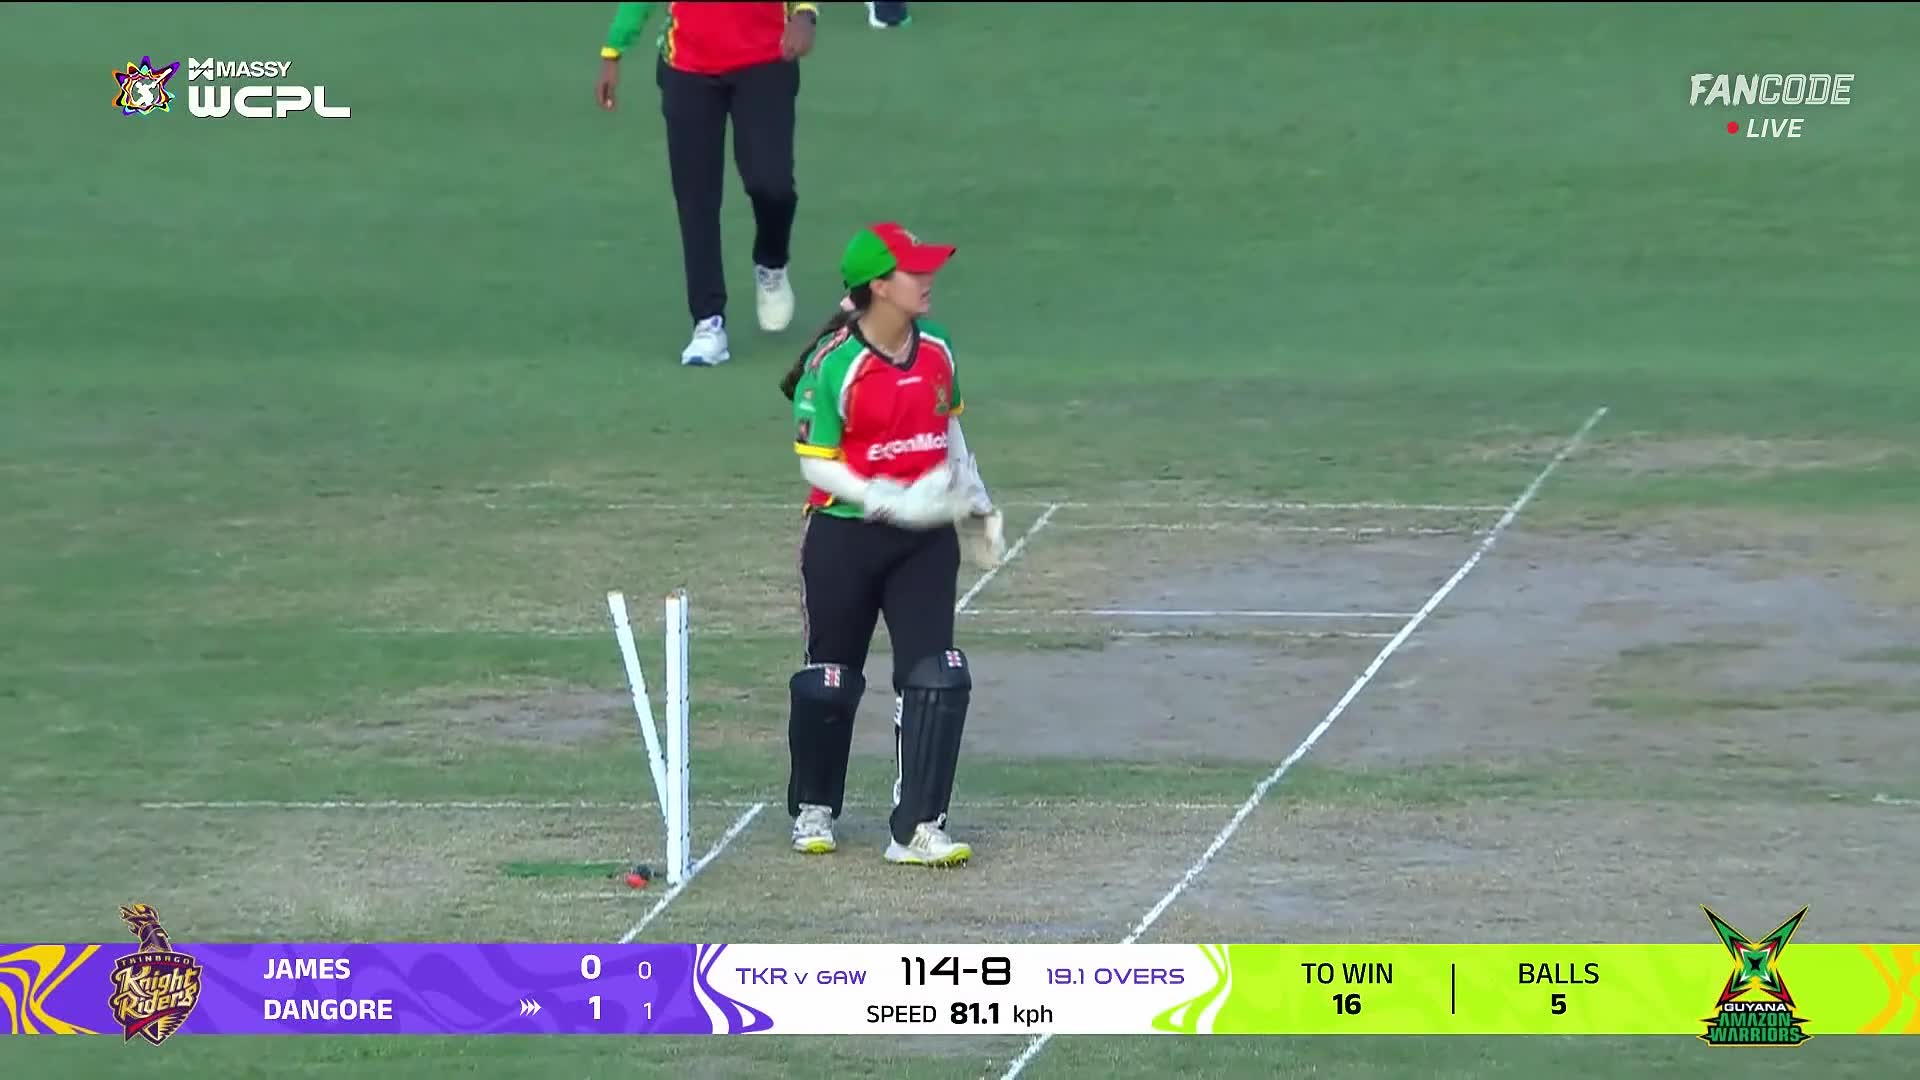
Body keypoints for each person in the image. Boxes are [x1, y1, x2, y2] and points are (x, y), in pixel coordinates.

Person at [777, 222, 1008, 866]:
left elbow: (949, 434)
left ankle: (918, 827)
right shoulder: (833, 364)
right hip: (844, 538)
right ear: (879, 286)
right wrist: (885, 500)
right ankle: (814, 806)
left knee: (937, 676)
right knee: (829, 680)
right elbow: (816, 463)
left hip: (924, 541)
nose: (928, 280)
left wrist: (977, 502)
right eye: (914, 271)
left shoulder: (937, 348)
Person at [596, 2, 819, 367]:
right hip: (688, 67)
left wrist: (806, 14)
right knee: (695, 198)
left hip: (767, 59)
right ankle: (708, 321)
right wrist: (613, 50)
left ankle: (771, 262)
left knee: (771, 184)